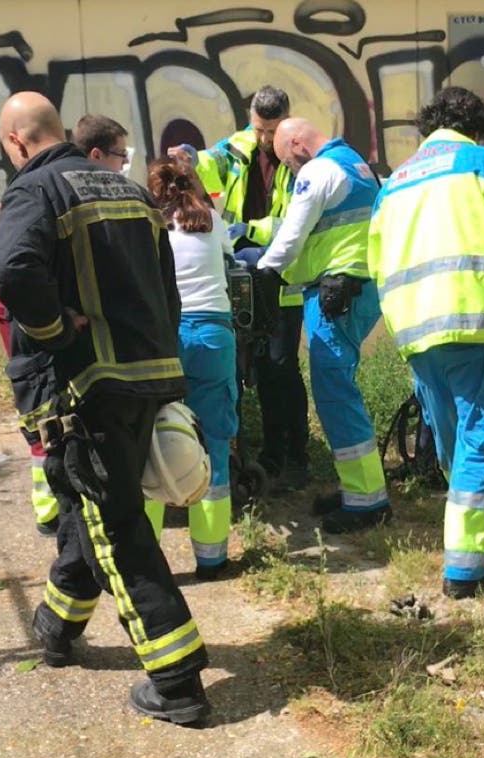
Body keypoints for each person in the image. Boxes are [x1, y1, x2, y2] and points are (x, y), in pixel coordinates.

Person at [0, 92, 210, 724]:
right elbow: (167, 291)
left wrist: (56, 330)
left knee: (116, 528)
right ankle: (57, 628)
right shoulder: (131, 192)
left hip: (83, 390)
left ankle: (177, 682)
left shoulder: (35, 190)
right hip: (146, 378)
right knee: (86, 506)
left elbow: (15, 271)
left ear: (16, 142)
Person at [367, 87, 484, 599]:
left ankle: (466, 536)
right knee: (482, 438)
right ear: (478, 130)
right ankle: (468, 572)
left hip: (415, 331)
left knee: (455, 441)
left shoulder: (395, 182)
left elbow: (375, 261)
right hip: (473, 321)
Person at [250, 117, 390, 533]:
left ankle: (366, 501)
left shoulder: (318, 170)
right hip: (358, 289)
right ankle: (360, 489)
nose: (290, 170)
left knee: (335, 394)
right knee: (340, 389)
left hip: (335, 295)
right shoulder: (357, 165)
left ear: (297, 144)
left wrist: (267, 272)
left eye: (286, 162)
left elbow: (293, 232)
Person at [188, 86, 310, 493]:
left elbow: (294, 224)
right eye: (259, 129)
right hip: (241, 275)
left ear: (286, 122)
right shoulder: (239, 146)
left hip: (281, 282)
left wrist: (248, 230)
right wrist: (190, 159)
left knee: (280, 369)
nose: (264, 138)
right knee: (243, 369)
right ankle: (251, 453)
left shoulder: (299, 159)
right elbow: (211, 163)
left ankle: (291, 456)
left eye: (271, 131)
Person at [147, 156, 237, 580]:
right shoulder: (211, 221)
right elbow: (231, 258)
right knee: (214, 440)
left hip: (166, 337)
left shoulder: (150, 226)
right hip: (214, 335)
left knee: (151, 440)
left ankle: (147, 561)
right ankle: (212, 558)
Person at [0, 274, 59, 536]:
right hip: (30, 302)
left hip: (13, 297)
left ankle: (48, 508)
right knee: (43, 400)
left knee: (35, 399)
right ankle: (51, 508)